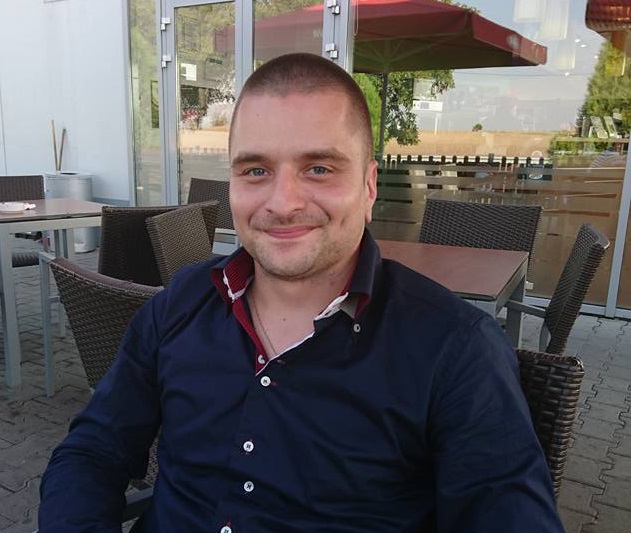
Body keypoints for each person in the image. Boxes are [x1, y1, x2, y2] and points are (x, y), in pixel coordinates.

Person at [39, 53, 564, 532]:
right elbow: (92, 451)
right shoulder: (180, 304)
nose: (283, 202)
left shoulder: (455, 349)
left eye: (318, 168)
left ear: (369, 186)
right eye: (256, 170)